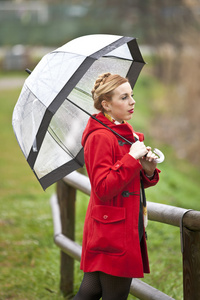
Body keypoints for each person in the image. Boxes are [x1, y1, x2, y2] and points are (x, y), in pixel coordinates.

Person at [73, 73, 160, 300]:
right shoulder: (100, 137)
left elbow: (128, 183)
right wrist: (131, 159)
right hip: (112, 231)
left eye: (132, 95)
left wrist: (147, 170)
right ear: (106, 105)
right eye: (124, 97)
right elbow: (102, 188)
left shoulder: (126, 134)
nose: (132, 102)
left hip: (119, 226)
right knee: (115, 295)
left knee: (90, 291)